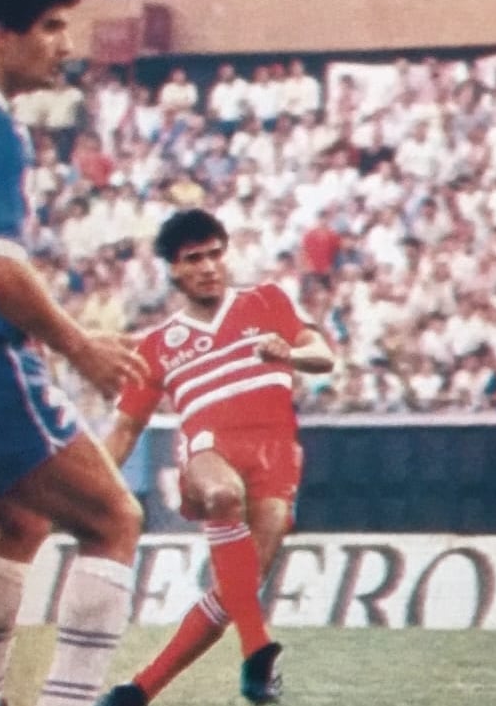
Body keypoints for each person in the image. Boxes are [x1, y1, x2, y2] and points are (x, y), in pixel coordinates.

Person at [0, 0, 150, 706]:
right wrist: (82, 345)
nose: (66, 44)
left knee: (19, 516)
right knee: (113, 518)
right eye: (50, 26)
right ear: (1, 33)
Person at [96, 210, 334, 706]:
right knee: (223, 494)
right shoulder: (158, 345)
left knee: (236, 588)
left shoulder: (267, 301)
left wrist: (287, 355)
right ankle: (257, 647)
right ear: (174, 269)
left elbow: (324, 356)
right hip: (210, 451)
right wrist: (88, 488)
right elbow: (125, 429)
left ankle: (137, 692)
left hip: (277, 455)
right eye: (193, 259)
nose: (208, 267)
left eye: (215, 254)